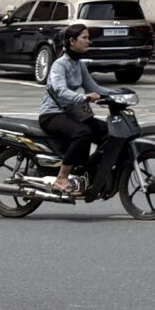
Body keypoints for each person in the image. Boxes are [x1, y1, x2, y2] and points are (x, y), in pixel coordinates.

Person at [37, 25, 111, 197]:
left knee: (107, 131)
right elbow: (60, 90)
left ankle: (89, 172)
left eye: (88, 37)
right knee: (83, 133)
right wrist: (83, 98)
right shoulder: (59, 65)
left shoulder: (79, 65)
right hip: (52, 114)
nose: (88, 41)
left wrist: (121, 95)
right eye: (84, 37)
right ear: (72, 41)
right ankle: (62, 177)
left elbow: (94, 87)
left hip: (71, 112)